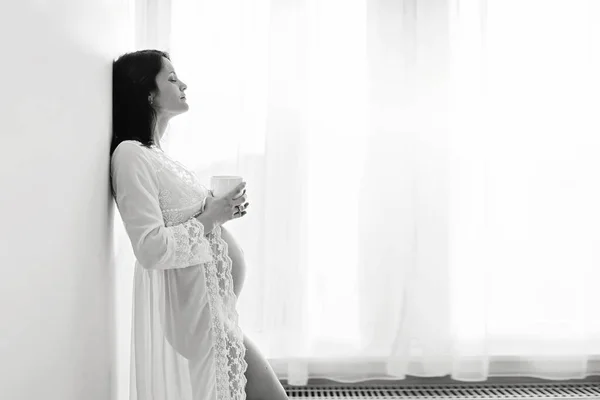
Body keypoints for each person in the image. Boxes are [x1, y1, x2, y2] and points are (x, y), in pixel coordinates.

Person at [110, 49, 289, 400]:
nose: (183, 84)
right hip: (196, 318)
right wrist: (212, 216)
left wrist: (218, 208)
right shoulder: (130, 155)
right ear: (148, 93)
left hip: (211, 311)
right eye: (172, 79)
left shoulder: (156, 156)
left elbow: (188, 220)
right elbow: (150, 248)